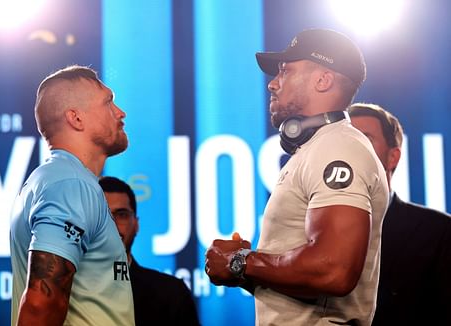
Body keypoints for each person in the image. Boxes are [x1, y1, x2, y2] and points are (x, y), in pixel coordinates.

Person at [204, 28, 389, 325]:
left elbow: (334, 270)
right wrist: (244, 268)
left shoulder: (337, 146)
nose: (273, 84)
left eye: (285, 71)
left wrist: (241, 262)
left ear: (323, 80)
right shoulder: (318, 147)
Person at [10, 65, 134, 325]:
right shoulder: (71, 184)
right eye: (108, 102)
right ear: (76, 118)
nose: (120, 113)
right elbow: (41, 303)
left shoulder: (54, 179)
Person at [349, 103, 451, 325]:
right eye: (346, 140)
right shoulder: (306, 229)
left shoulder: (439, 232)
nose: (350, 149)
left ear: (393, 157)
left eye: (365, 139)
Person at [98, 176, 200, 326]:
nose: (112, 225)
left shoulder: (171, 293)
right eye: (101, 215)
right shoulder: (62, 289)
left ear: (136, 224)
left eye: (121, 215)